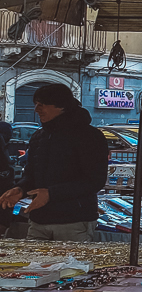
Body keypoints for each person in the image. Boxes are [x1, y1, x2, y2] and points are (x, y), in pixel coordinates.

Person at [0, 84, 107, 241]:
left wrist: (51, 194)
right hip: (39, 220)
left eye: (41, 105)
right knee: (32, 265)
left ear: (61, 106)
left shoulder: (90, 136)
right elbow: (31, 174)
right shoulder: (39, 136)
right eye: (35, 104)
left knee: (71, 265)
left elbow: (94, 181)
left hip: (74, 222)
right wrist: (20, 189)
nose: (37, 109)